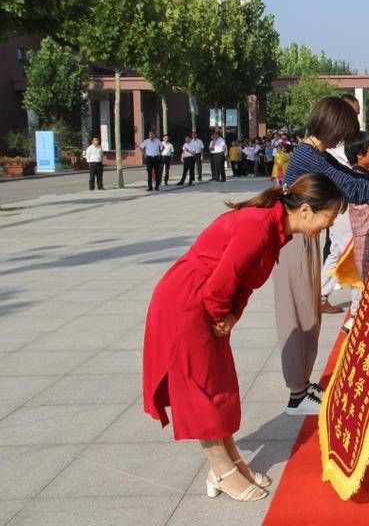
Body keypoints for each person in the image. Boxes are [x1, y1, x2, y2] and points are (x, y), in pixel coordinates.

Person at [143, 172, 345, 503]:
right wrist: (222, 313)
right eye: (330, 217)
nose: (329, 226)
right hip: (187, 302)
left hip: (206, 301)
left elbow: (245, 280)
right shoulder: (259, 225)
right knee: (200, 388)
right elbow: (223, 280)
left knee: (219, 384)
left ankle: (232, 459)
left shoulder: (276, 228)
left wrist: (233, 314)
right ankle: (220, 470)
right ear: (306, 210)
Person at [274, 97, 369, 416]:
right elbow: (347, 186)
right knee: (297, 314)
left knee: (309, 312)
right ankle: (296, 393)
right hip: (294, 239)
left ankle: (302, 383)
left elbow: (349, 175)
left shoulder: (314, 153)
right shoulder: (308, 155)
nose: (342, 140)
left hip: (306, 236)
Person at [319, 94, 361, 315]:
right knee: (349, 251)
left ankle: (321, 295)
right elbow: (350, 170)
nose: (357, 117)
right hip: (341, 201)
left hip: (341, 200)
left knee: (338, 251)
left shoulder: (341, 138)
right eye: (354, 113)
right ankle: (357, 308)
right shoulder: (335, 141)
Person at [342, 130, 369, 332]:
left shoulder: (364, 174)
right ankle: (366, 331)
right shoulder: (356, 179)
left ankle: (357, 322)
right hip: (364, 235)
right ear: (360, 154)